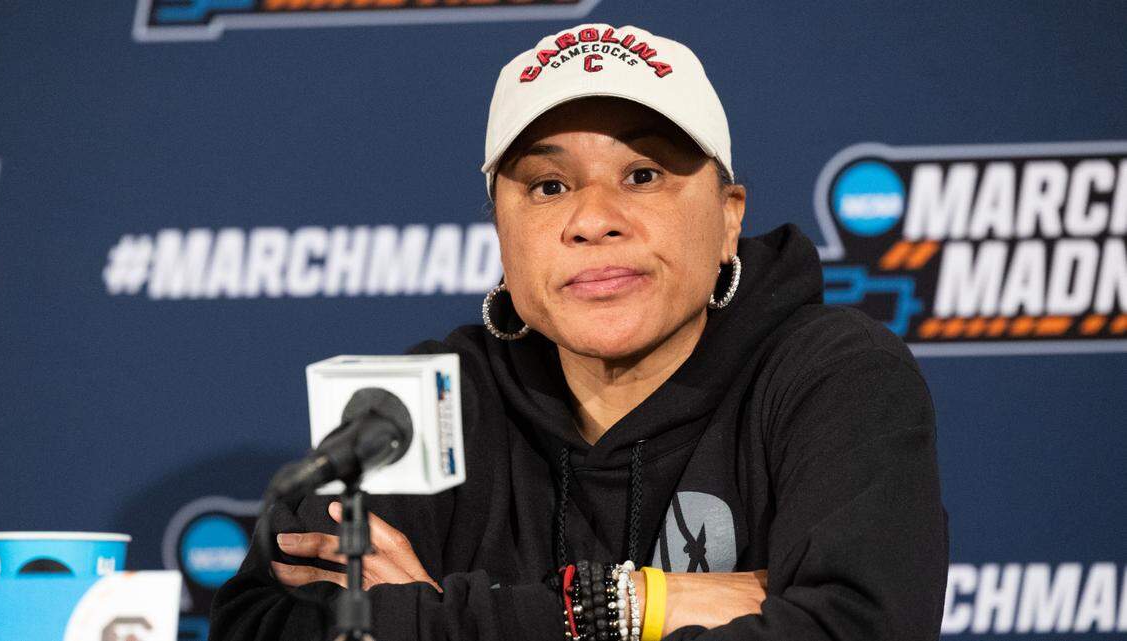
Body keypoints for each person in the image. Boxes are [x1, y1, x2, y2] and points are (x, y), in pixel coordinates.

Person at [210, 23, 948, 641]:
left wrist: (430, 618)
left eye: (644, 174)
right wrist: (627, 607)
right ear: (502, 231)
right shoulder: (423, 403)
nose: (593, 219)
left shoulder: (832, 376)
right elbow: (268, 621)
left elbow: (856, 627)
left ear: (730, 216)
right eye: (549, 186)